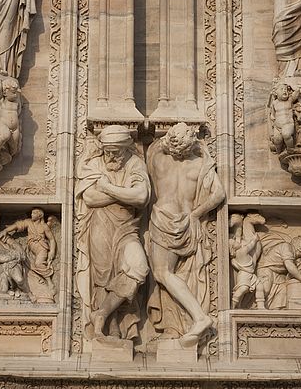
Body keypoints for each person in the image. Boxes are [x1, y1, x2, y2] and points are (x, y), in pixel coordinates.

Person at [146, 123, 225, 348]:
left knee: (162, 273)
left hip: (163, 219)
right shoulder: (200, 164)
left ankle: (200, 317)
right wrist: (196, 214)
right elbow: (219, 194)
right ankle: (192, 319)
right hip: (186, 221)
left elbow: (154, 147)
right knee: (171, 273)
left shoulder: (158, 158)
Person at [75, 125, 151, 342]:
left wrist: (107, 188)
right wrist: (123, 194)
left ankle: (101, 314)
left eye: (116, 151)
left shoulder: (135, 164)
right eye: (107, 150)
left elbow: (141, 197)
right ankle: (109, 325)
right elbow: (90, 198)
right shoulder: (95, 163)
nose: (111, 155)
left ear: (127, 148)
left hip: (127, 229)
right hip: (99, 226)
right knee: (104, 276)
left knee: (138, 267)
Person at [229, 213, 266, 309]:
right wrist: (255, 239)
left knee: (260, 286)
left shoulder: (236, 256)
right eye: (234, 242)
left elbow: (234, 263)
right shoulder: (241, 251)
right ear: (233, 248)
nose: (237, 241)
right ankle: (232, 304)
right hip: (245, 274)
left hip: (250, 274)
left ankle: (261, 306)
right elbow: (250, 246)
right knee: (243, 288)